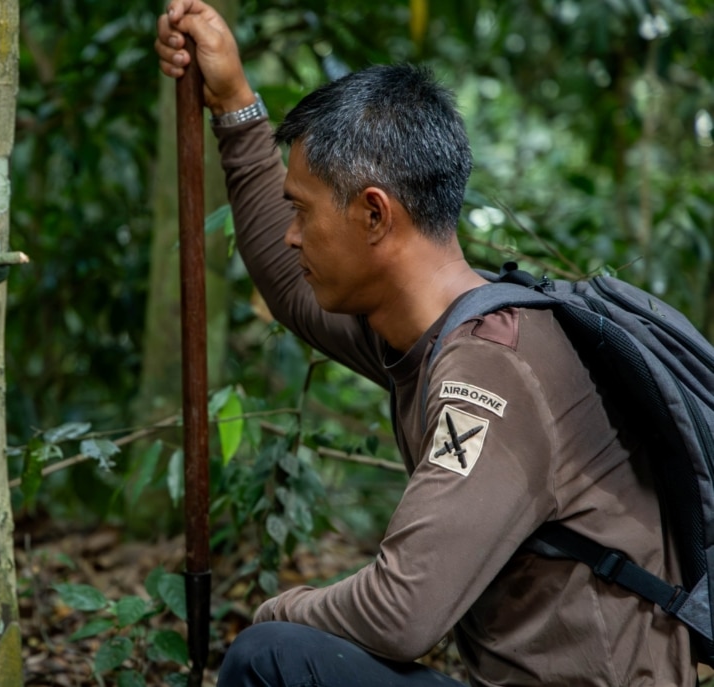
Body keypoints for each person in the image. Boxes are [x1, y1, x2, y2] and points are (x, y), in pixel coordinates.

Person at [155, 2, 697, 686]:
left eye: (303, 211)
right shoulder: (440, 328)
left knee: (271, 658)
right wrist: (234, 103)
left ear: (375, 213)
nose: (292, 236)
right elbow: (291, 290)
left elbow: (401, 612)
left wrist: (275, 609)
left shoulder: (493, 366)